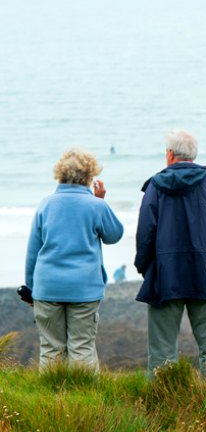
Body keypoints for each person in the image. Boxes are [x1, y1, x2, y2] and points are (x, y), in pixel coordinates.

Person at [134, 129, 206, 388]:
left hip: (165, 273)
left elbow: (145, 233)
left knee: (162, 350)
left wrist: (144, 267)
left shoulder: (156, 186)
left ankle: (161, 405)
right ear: (193, 155)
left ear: (170, 154)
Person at [25, 148, 124, 372]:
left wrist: (31, 288)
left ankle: (51, 402)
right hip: (84, 289)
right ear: (90, 176)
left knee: (51, 349)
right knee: (82, 348)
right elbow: (114, 235)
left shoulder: (46, 204)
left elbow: (33, 251)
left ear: (59, 174)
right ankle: (84, 400)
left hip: (47, 286)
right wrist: (101, 202)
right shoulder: (96, 206)